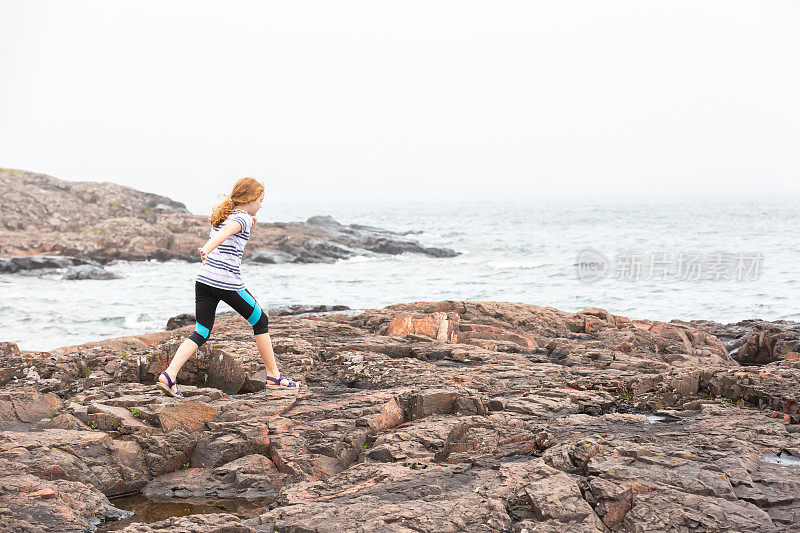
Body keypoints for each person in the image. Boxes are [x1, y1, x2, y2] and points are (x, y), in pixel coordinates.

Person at [156, 177, 299, 397]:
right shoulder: (239, 218)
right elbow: (228, 232)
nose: (261, 204)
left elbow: (223, 203)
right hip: (226, 283)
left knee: (201, 331)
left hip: (204, 281)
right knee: (261, 320)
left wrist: (250, 216)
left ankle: (169, 375)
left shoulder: (225, 213)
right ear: (250, 199)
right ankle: (273, 376)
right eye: (260, 200)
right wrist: (207, 248)